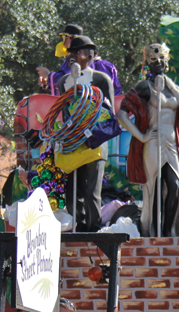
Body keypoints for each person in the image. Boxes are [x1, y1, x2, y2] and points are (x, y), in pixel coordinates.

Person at [117, 43, 179, 237]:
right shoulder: (144, 87)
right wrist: (141, 136)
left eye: (161, 59)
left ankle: (169, 230)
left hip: (172, 143)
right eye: (153, 59)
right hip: (153, 142)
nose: (158, 63)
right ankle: (154, 230)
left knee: (175, 186)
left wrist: (171, 86)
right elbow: (122, 114)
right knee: (156, 187)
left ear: (166, 62)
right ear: (148, 65)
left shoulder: (172, 87)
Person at [60, 35, 115, 232]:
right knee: (73, 189)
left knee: (93, 190)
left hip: (95, 141)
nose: (72, 57)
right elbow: (64, 112)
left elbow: (110, 115)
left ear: (90, 55)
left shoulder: (101, 79)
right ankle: (78, 226)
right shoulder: (64, 82)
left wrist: (92, 129)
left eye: (78, 52)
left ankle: (94, 229)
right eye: (71, 53)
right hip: (74, 141)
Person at [39, 24, 122, 96]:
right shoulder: (71, 60)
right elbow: (68, 88)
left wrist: (49, 75)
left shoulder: (103, 66)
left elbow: (68, 78)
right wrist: (47, 84)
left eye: (64, 38)